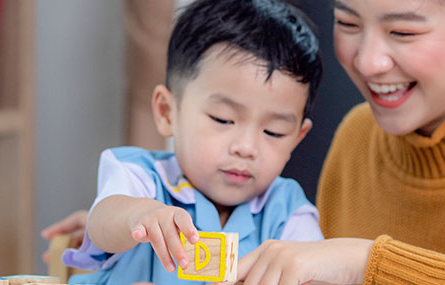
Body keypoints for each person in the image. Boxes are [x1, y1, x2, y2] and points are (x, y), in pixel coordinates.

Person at [47, 0, 445, 284]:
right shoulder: (358, 139)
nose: (368, 59)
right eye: (349, 23)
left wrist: (366, 261)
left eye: (403, 30)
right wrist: (126, 224)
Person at [59, 0, 326, 284]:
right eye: (223, 119)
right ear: (166, 112)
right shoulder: (143, 178)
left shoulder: (288, 213)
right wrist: (140, 215)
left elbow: (315, 271)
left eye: (273, 132)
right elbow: (102, 223)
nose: (246, 148)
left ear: (296, 139)